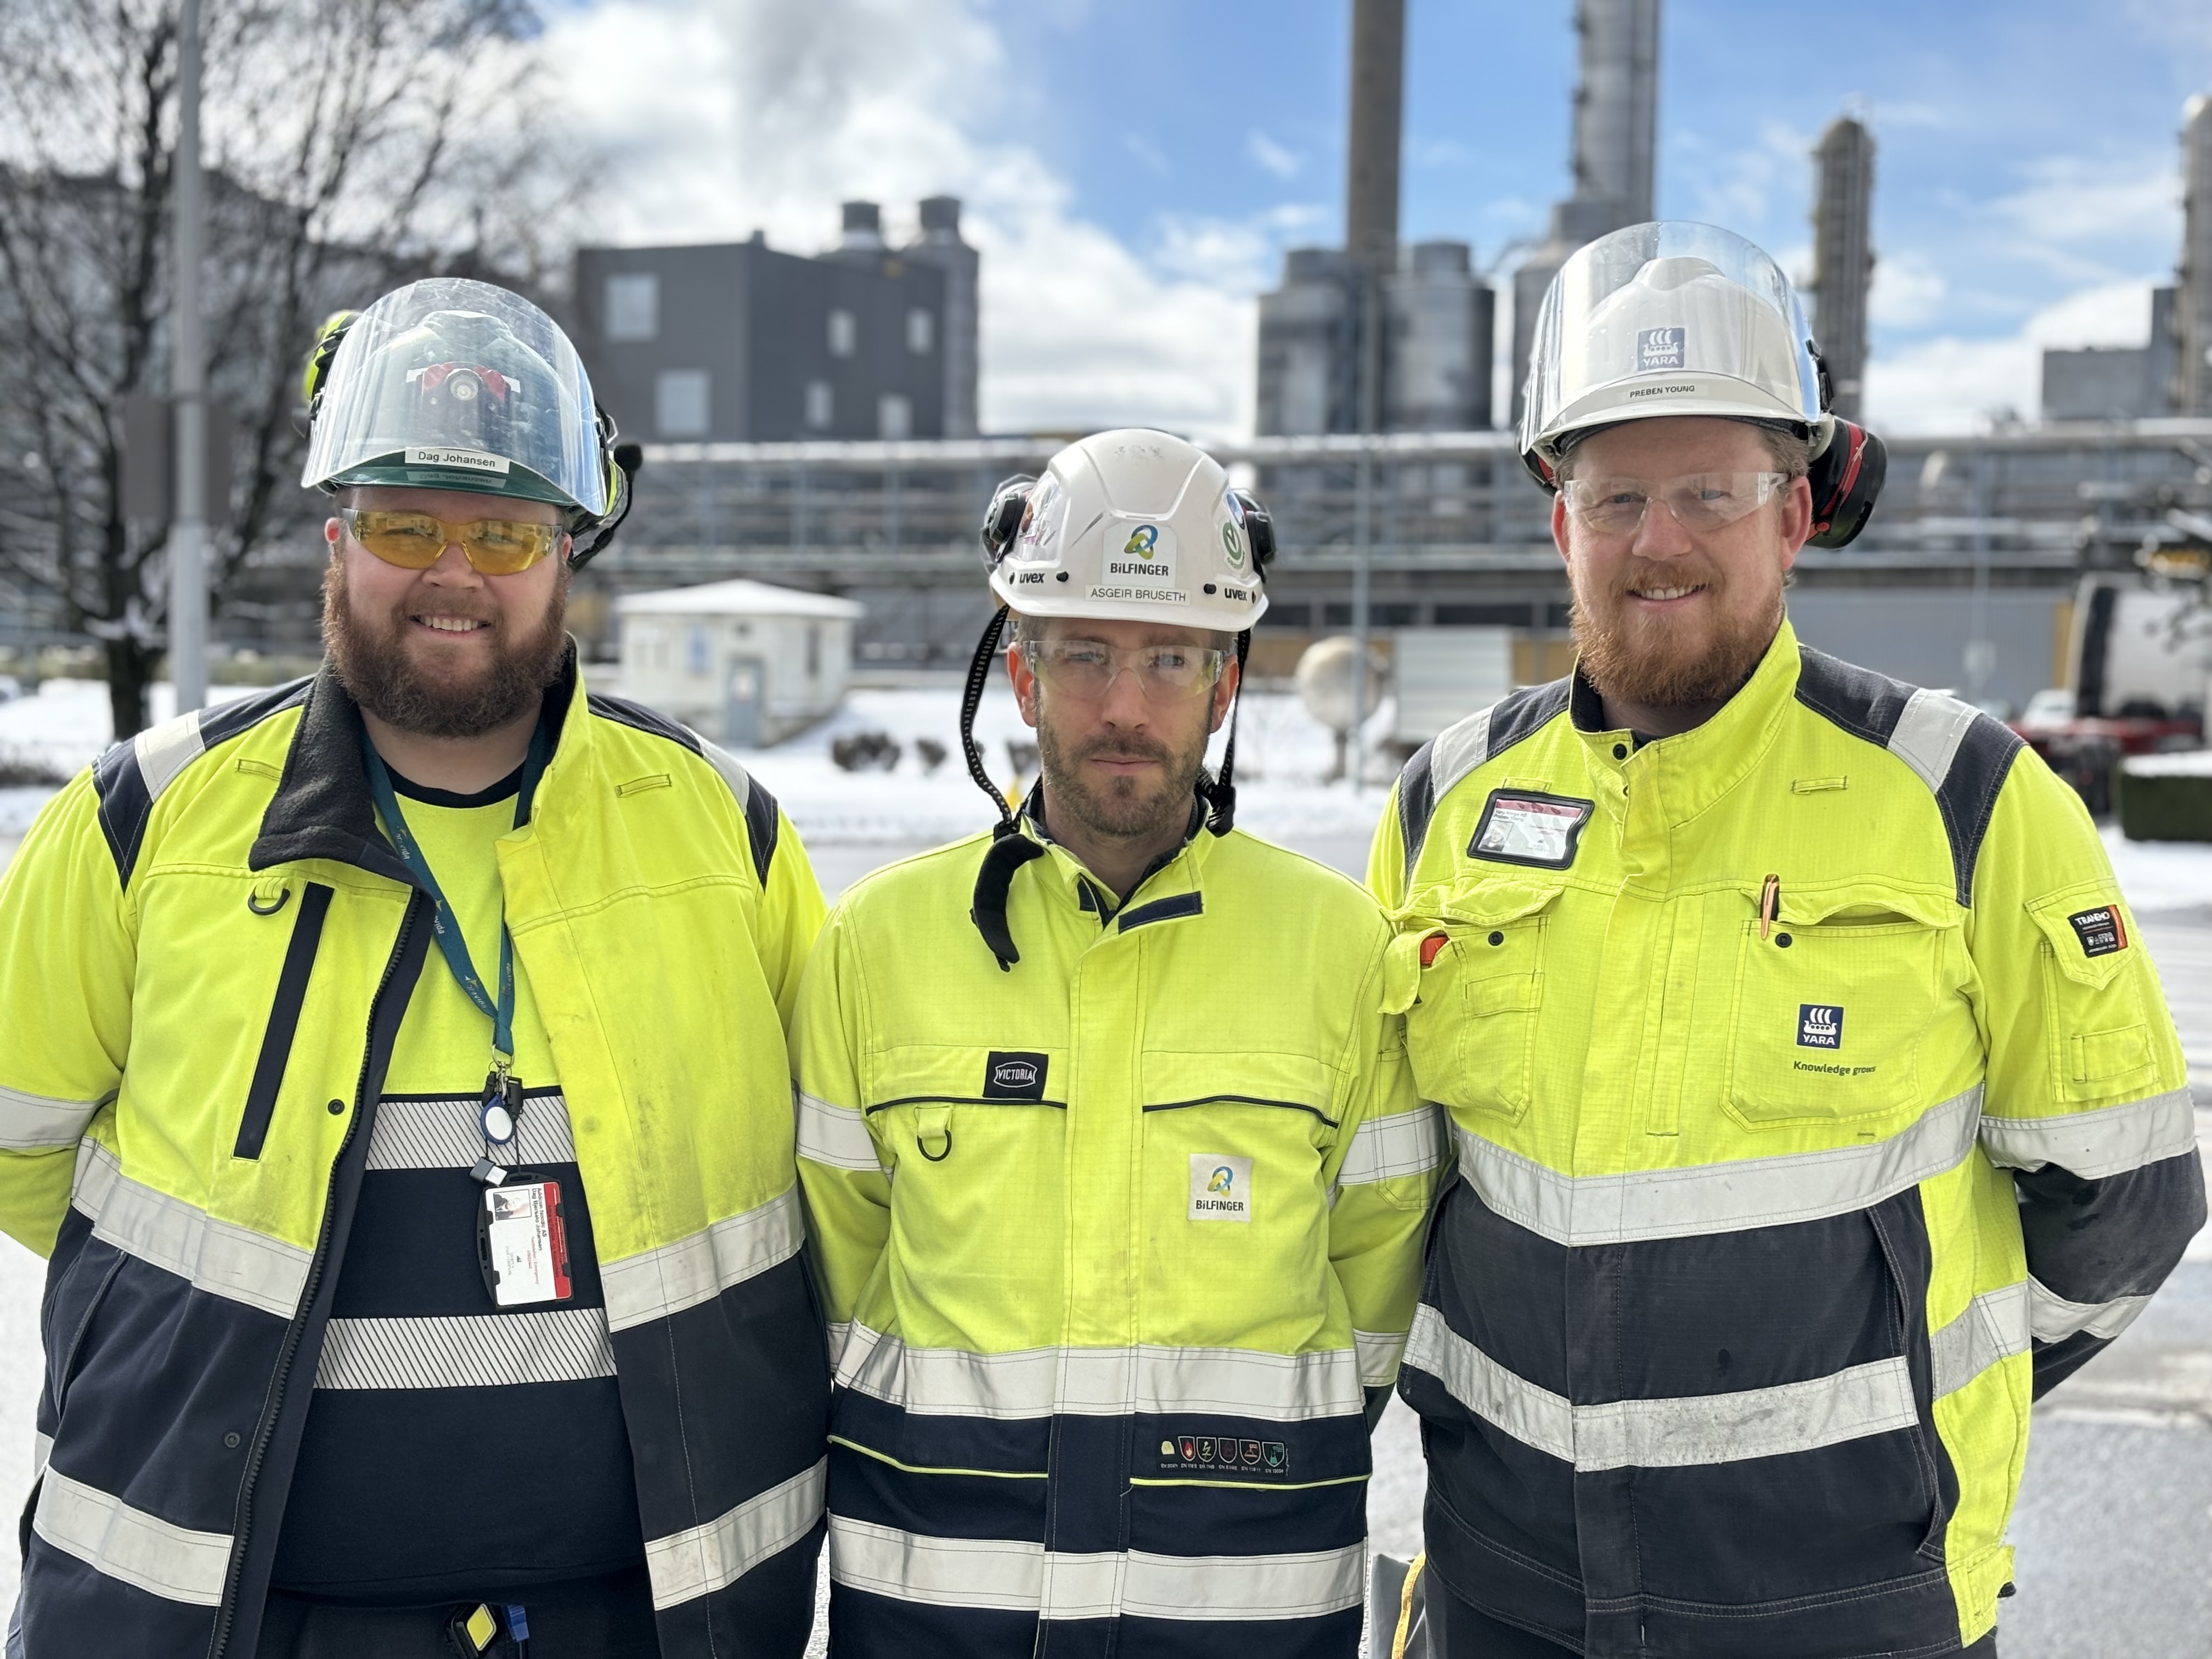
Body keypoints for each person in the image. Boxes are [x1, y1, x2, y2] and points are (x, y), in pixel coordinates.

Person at [1370, 223, 2205, 1659]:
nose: (1662, 539)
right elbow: (1393, 1195)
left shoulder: (1963, 797)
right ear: (1557, 518)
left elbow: (2124, 1199)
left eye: (1713, 490)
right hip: (1511, 1594)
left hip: (1853, 1604)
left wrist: (1886, 1422)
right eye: (1617, 493)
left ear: (1796, 515)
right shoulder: (1453, 800)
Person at [0, 278, 830, 1658]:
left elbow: (834, 1189)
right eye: (406, 523)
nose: (456, 573)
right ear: (337, 537)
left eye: (505, 530)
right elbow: (20, 1152)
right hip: (236, 1622)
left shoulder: (720, 833)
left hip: (639, 1624)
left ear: (569, 550)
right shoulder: (148, 825)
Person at [792, 429, 1434, 1657]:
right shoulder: (880, 944)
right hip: (940, 1612)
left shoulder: (1340, 952)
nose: (1126, 705)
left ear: (1225, 683)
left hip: (1242, 1616)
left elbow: (1373, 1291)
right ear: (1023, 676)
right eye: (1083, 653)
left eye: (1169, 656)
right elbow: (840, 1275)